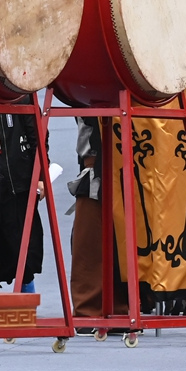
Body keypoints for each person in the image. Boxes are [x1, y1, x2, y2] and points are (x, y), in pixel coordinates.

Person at [67, 118, 128, 329]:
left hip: (129, 162)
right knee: (90, 243)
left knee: (123, 242)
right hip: (96, 165)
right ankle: (88, 310)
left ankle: (122, 309)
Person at [0, 107, 45, 293]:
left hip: (18, 179)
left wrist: (41, 176)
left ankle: (26, 293)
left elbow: (38, 139)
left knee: (21, 240)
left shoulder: (21, 96)